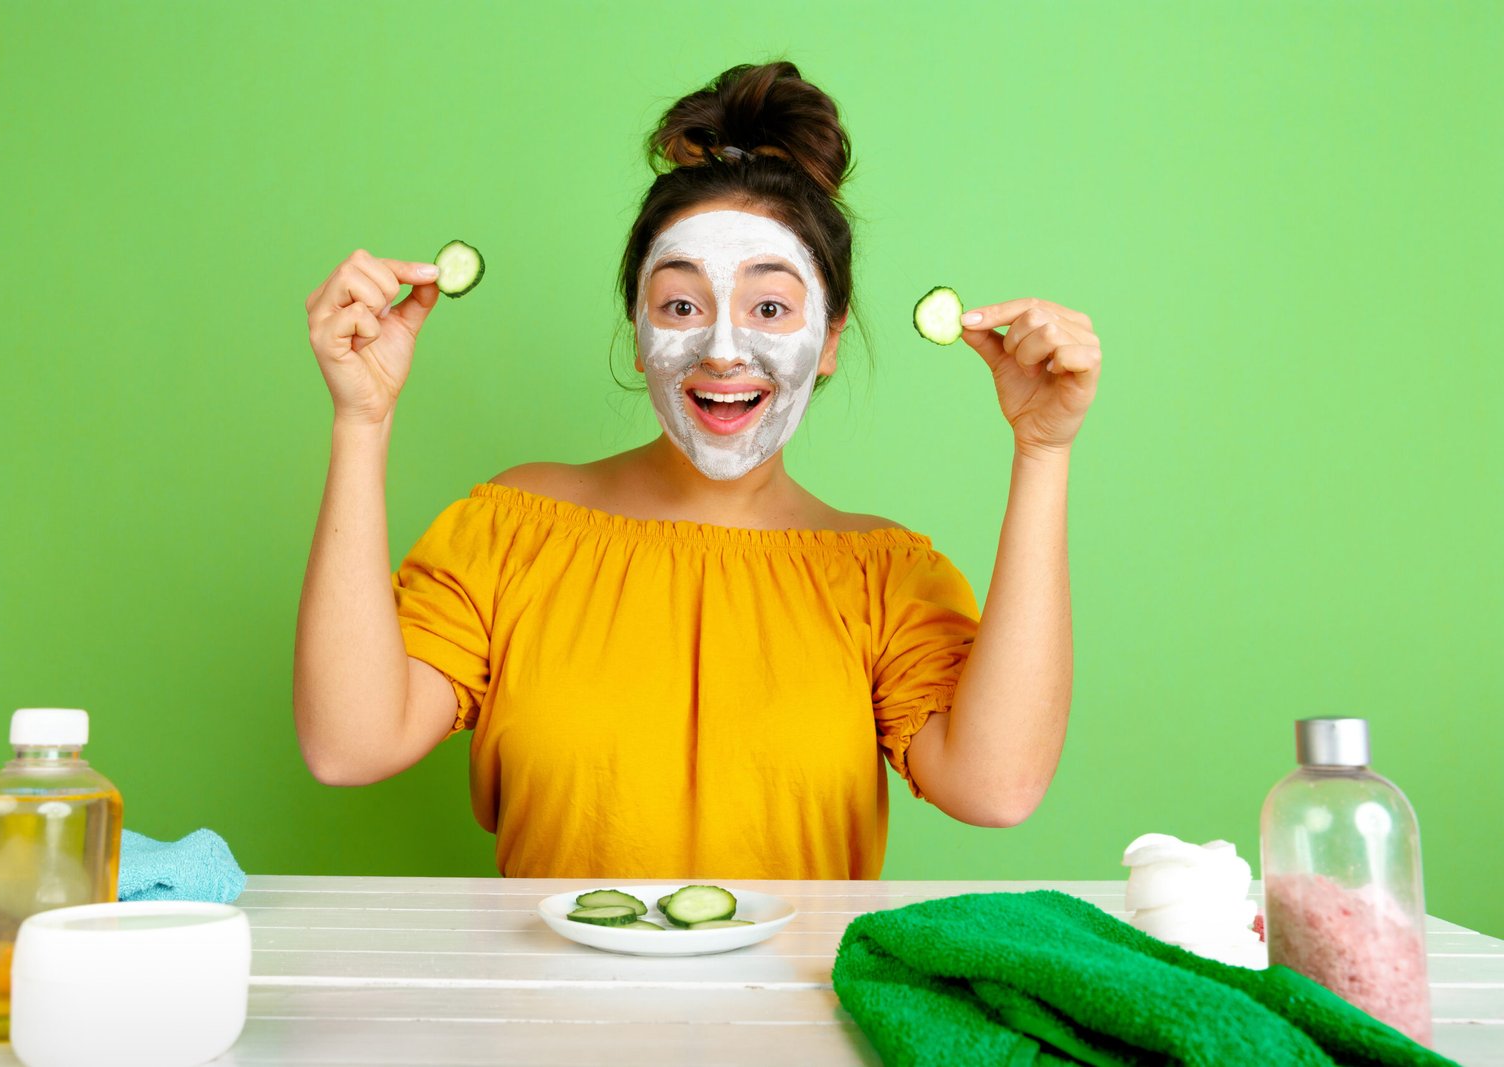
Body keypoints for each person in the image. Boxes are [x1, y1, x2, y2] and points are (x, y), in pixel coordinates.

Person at [293, 62, 1102, 880]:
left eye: (771, 307)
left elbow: (996, 789)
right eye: (681, 304)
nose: (721, 348)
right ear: (638, 327)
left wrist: (1044, 451)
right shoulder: (515, 529)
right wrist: (363, 419)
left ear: (827, 340)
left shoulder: (884, 578)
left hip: (796, 1010)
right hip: (554, 1006)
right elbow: (348, 745)